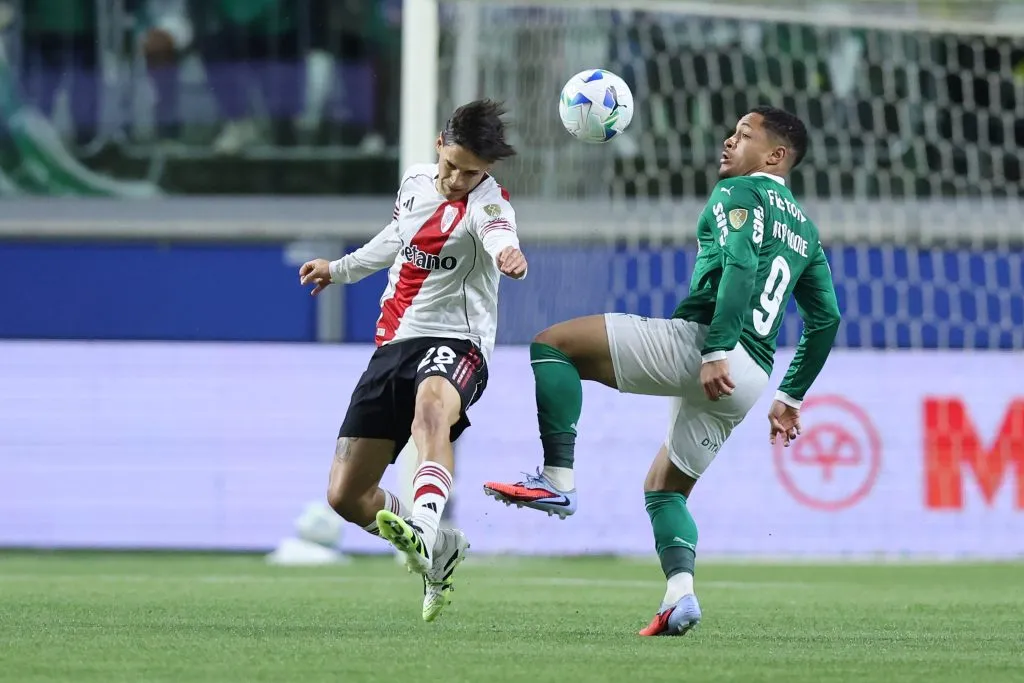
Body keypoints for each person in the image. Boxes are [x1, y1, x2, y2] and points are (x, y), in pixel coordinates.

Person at [482, 106, 841, 636]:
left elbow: (741, 265)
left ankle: (557, 479)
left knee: (553, 346)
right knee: (664, 489)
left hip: (703, 349)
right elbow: (826, 318)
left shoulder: (739, 193)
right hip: (753, 376)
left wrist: (715, 348)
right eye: (732, 131)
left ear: (775, 156)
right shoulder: (806, 231)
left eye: (744, 135)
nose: (728, 141)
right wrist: (791, 397)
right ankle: (681, 595)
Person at [299, 99, 526, 622]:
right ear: (439, 145)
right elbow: (396, 239)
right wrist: (340, 269)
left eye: (471, 173)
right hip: (394, 343)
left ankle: (423, 523)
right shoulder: (415, 181)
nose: (456, 179)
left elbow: (499, 236)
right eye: (451, 165)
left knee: (431, 409)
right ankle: (439, 544)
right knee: (346, 495)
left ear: (486, 171)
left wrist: (508, 254)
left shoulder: (490, 206)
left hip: (458, 341)